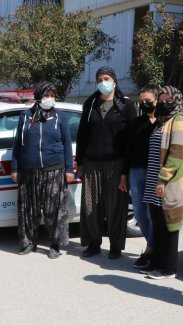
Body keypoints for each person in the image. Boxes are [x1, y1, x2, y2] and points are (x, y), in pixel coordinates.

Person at [76, 67, 137, 259]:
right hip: (92, 163)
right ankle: (93, 243)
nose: (103, 82)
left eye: (106, 78)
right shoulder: (91, 104)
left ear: (115, 81)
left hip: (116, 164)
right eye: (99, 79)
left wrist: (125, 171)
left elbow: (132, 140)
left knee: (115, 207)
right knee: (90, 206)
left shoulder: (125, 106)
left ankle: (115, 246)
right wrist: (80, 163)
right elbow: (82, 134)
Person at [11, 82, 74, 259]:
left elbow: (67, 144)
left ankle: (55, 245)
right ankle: (28, 242)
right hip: (29, 169)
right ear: (38, 97)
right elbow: (17, 144)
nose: (50, 99)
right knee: (28, 209)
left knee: (53, 209)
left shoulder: (59, 117)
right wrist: (15, 168)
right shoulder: (25, 116)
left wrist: (69, 168)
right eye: (47, 96)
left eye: (53, 95)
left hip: (54, 169)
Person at [139, 86, 183, 279]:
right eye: (160, 99)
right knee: (158, 225)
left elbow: (176, 155)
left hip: (168, 182)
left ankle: (168, 268)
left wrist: (162, 180)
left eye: (168, 98)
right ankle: (156, 263)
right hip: (155, 181)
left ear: (176, 99)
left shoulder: (180, 121)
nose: (163, 102)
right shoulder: (162, 122)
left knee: (170, 225)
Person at [126, 85, 159, 268]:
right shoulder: (137, 123)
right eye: (142, 102)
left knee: (153, 212)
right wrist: (124, 175)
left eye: (148, 101)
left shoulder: (164, 122)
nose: (145, 105)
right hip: (136, 171)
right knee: (139, 212)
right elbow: (128, 150)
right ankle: (152, 245)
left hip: (156, 172)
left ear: (157, 100)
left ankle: (150, 250)